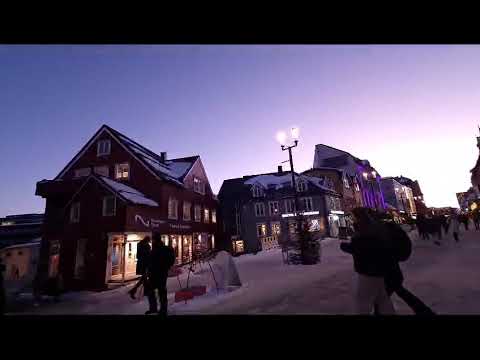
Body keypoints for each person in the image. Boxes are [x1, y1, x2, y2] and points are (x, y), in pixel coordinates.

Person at [340, 207, 395, 315]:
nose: (352, 219)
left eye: (353, 216)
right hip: (378, 270)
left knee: (363, 302)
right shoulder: (374, 227)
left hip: (368, 270)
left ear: (358, 217)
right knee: (382, 300)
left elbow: (362, 247)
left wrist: (346, 246)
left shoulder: (364, 228)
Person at [376, 220, 435, 316]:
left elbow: (384, 253)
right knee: (400, 294)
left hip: (390, 274)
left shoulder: (387, 237)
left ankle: (424, 311)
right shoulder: (392, 234)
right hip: (393, 273)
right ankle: (424, 311)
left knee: (382, 299)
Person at [145, 232, 175, 316]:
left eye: (153, 239)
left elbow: (171, 260)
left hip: (159, 273)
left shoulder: (163, 249)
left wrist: (166, 266)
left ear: (155, 239)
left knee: (160, 292)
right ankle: (157, 309)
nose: (152, 241)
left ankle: (160, 309)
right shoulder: (158, 249)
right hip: (156, 274)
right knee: (156, 291)